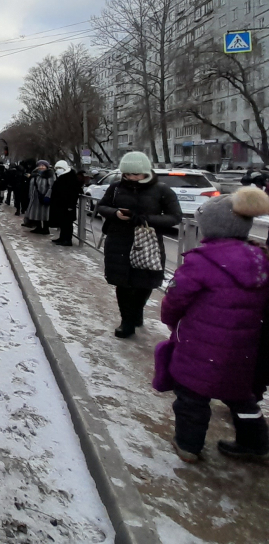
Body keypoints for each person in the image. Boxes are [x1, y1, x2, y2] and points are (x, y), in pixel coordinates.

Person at [159, 187, 269, 463]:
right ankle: (256, 444)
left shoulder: (200, 262)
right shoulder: (261, 260)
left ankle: (188, 445)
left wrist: (172, 323)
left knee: (191, 397)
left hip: (199, 346)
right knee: (242, 398)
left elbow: (175, 300)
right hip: (245, 349)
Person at [97, 152, 182, 338]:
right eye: (128, 174)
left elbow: (175, 217)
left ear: (145, 171)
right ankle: (127, 321)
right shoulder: (116, 188)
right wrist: (115, 214)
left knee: (146, 282)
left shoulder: (162, 190)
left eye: (136, 174)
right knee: (123, 283)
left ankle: (137, 312)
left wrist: (146, 219)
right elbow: (101, 206)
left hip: (148, 242)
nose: (132, 178)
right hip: (120, 241)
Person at [48, 160, 81, 246]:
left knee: (67, 223)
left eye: (59, 168)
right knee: (62, 222)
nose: (57, 170)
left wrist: (71, 205)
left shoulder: (71, 177)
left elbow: (74, 192)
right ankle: (62, 238)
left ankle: (67, 240)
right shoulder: (61, 177)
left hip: (67, 205)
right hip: (61, 204)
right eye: (56, 168)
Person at [25, 160, 54, 234]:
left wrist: (48, 196)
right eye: (40, 165)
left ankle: (45, 229)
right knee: (36, 213)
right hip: (35, 198)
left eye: (43, 166)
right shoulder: (35, 174)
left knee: (45, 213)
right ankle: (38, 227)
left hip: (44, 197)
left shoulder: (49, 174)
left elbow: (51, 186)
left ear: (46, 166)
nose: (41, 167)